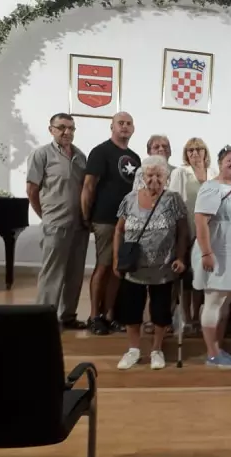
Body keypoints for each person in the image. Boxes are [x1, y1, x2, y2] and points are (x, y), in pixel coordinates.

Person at [113, 156, 188, 370]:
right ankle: (133, 349)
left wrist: (181, 257)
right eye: (150, 174)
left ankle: (157, 349)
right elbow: (119, 230)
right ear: (142, 176)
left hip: (163, 267)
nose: (154, 179)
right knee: (131, 310)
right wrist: (116, 259)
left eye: (159, 175)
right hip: (134, 266)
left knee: (160, 311)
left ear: (166, 177)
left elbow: (183, 232)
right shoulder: (130, 199)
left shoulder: (173, 200)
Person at [26, 113, 88, 330]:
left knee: (75, 275)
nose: (67, 132)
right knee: (52, 274)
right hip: (55, 224)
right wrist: (46, 216)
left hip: (79, 225)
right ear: (51, 129)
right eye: (62, 127)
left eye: (71, 128)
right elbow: (32, 190)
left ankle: (68, 316)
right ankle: (43, 320)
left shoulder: (80, 157)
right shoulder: (41, 154)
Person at [81, 112, 141, 335]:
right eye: (120, 123)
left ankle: (109, 315)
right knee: (104, 265)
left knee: (119, 268)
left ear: (133, 128)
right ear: (112, 126)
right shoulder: (100, 152)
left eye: (128, 123)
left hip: (128, 221)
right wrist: (86, 216)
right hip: (105, 218)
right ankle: (94, 316)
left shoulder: (135, 157)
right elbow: (88, 186)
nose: (125, 127)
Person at [192, 146, 231, 369]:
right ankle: (212, 353)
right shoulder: (211, 188)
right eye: (229, 160)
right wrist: (207, 252)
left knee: (224, 304)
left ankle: (217, 346)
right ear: (220, 162)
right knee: (213, 302)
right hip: (215, 252)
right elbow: (200, 221)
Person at [169, 138, 218, 334]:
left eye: (198, 149)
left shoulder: (213, 173)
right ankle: (186, 317)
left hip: (207, 232)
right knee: (185, 277)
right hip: (186, 230)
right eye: (190, 150)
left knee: (200, 275)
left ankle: (197, 315)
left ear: (205, 152)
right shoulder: (180, 172)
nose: (195, 153)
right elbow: (173, 201)